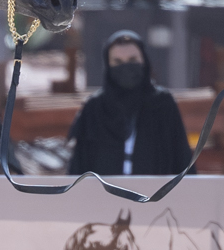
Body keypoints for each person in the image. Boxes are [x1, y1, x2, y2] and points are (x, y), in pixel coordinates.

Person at [68, 30, 191, 177]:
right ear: (108, 65)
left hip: (154, 195)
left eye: (133, 60)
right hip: (102, 195)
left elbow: (182, 156)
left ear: (144, 61)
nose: (125, 67)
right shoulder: (94, 107)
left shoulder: (162, 103)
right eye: (118, 62)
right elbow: (78, 165)